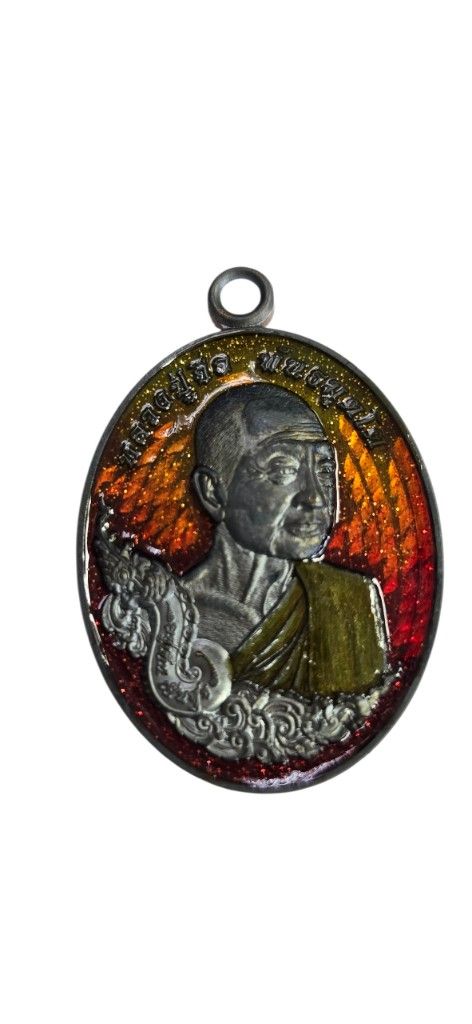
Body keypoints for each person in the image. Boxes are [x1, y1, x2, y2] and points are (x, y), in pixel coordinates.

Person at [185, 382, 388, 696]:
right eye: (283, 470)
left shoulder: (351, 601)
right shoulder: (166, 614)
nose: (316, 497)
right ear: (213, 492)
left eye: (324, 470)